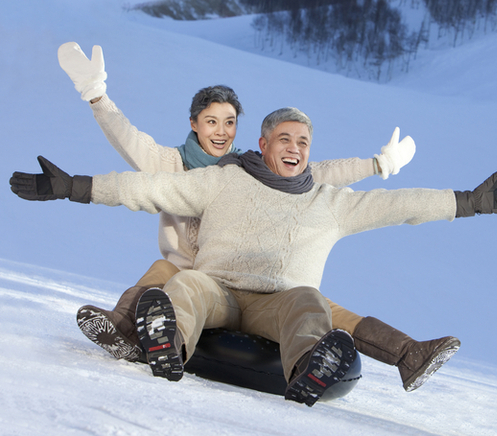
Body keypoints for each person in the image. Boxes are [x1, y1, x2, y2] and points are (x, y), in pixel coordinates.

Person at [10, 107, 497, 405]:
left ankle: (311, 368)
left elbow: (402, 205)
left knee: (309, 300)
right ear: (264, 143)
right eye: (285, 138)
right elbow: (147, 188)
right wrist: (71, 186)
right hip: (218, 291)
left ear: (309, 149)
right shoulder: (224, 180)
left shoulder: (331, 202)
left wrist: (470, 202)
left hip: (276, 305)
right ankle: (166, 345)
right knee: (185, 285)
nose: (295, 147)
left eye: (303, 140)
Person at [54, 42, 460, 394]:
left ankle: (406, 354)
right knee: (168, 272)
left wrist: (377, 164)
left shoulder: (246, 169)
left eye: (229, 123)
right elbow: (131, 151)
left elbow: (317, 174)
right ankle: (130, 332)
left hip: (258, 281)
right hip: (196, 278)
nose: (221, 131)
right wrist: (96, 96)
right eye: (211, 121)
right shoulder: (172, 164)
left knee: (315, 305)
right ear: (194, 124)